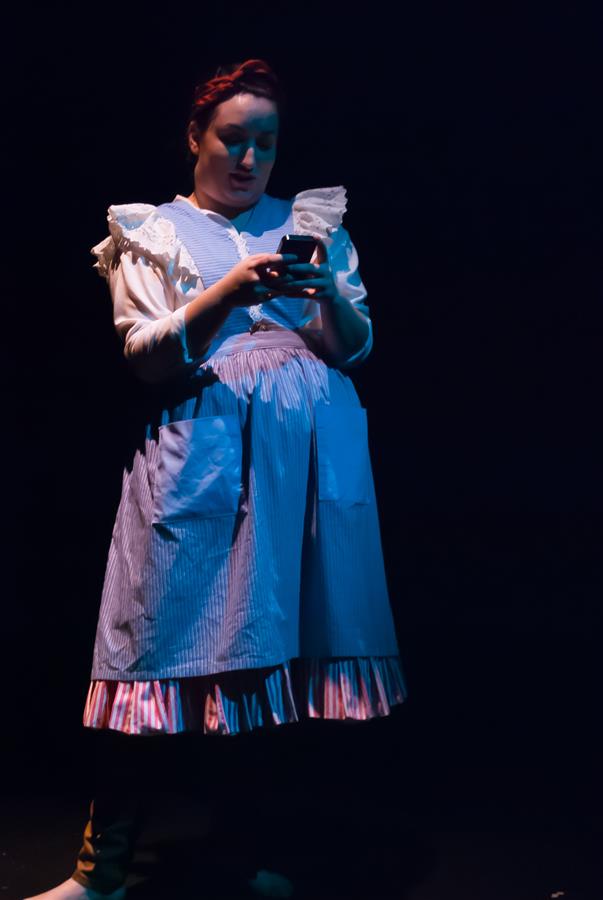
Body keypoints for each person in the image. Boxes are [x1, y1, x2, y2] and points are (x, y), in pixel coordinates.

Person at [23, 58, 407, 900]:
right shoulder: (151, 230)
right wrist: (230, 292)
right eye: (232, 139)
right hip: (200, 452)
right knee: (152, 646)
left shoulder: (311, 222)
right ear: (194, 139)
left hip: (308, 462)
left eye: (264, 143)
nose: (248, 158)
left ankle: (256, 854)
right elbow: (146, 357)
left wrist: (320, 301)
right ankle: (102, 873)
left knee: (280, 655)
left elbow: (355, 346)